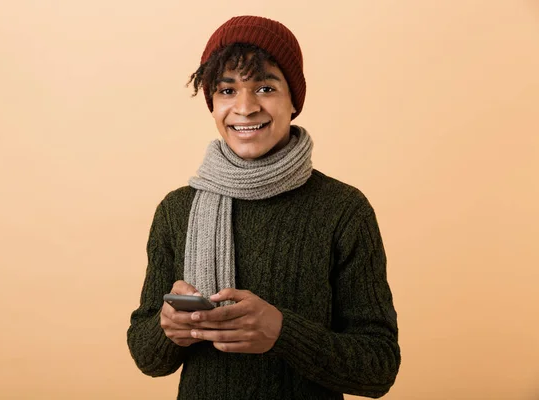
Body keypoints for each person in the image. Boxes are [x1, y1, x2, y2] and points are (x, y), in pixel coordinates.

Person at [127, 15, 400, 399]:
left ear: (293, 101)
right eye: (226, 90)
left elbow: (379, 368)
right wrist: (168, 328)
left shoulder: (343, 209)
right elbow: (147, 357)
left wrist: (281, 332)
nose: (245, 107)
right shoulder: (178, 209)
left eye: (265, 87)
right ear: (212, 102)